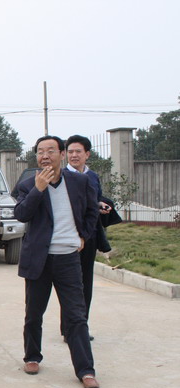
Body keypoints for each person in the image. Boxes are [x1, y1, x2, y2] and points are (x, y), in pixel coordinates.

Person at [15, 135, 100, 388]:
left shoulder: (79, 182)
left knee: (76, 316)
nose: (45, 156)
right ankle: (32, 357)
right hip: (38, 260)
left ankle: (86, 370)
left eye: (50, 151)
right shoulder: (28, 185)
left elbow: (92, 211)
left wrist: (83, 236)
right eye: (40, 151)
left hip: (68, 259)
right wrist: (38, 189)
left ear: (61, 154)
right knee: (34, 314)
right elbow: (22, 214)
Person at [63, 135, 112, 342]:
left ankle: (80, 327)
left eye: (78, 152)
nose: (74, 155)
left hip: (88, 235)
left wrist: (100, 204)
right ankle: (68, 327)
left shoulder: (92, 176)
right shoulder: (61, 176)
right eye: (71, 152)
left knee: (85, 282)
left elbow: (95, 199)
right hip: (67, 236)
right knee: (69, 284)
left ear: (87, 154)